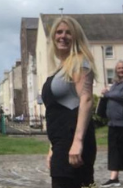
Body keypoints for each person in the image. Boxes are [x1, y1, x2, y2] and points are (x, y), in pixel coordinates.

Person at [41, 16, 97, 188]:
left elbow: (86, 99)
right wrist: (52, 147)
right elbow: (56, 112)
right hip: (61, 144)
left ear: (76, 37)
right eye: (59, 32)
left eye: (68, 32)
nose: (62, 36)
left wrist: (78, 142)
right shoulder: (61, 67)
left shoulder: (80, 62)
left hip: (73, 142)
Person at [100, 60, 123, 188]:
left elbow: (121, 95)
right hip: (113, 124)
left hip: (122, 124)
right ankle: (114, 178)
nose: (121, 70)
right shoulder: (115, 84)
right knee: (114, 151)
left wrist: (107, 93)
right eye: (119, 68)